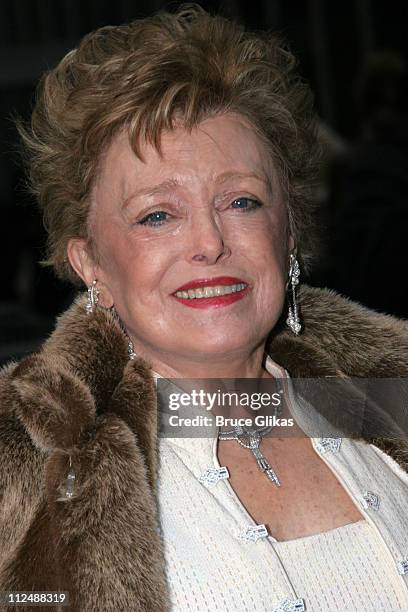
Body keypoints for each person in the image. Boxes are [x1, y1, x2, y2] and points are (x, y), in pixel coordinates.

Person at [1, 5, 407, 611]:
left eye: (241, 201)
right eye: (157, 215)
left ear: (289, 231)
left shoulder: (390, 398)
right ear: (90, 264)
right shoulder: (25, 472)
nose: (211, 243)